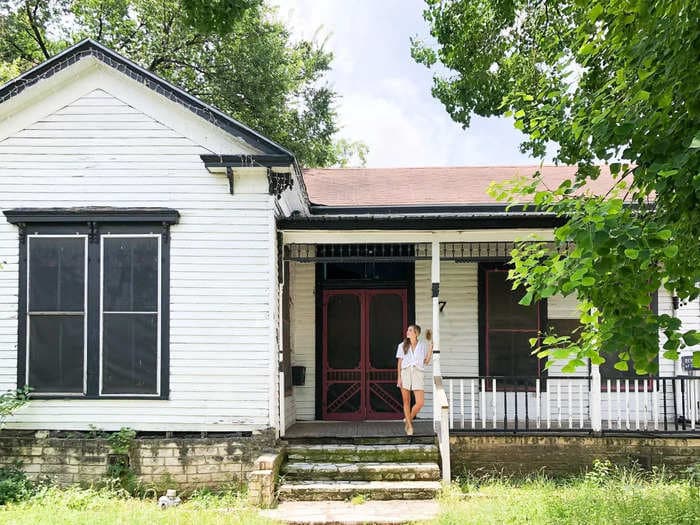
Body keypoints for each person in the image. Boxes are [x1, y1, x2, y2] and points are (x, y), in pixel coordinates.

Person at [396, 324, 433, 436]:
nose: (407, 331)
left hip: (418, 373)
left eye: (410, 330)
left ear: (416, 333)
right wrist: (399, 377)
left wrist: (430, 348)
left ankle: (408, 419)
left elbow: (426, 361)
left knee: (420, 403)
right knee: (406, 401)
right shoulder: (402, 345)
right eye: (408, 330)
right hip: (405, 373)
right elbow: (399, 363)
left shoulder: (422, 346)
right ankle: (410, 427)